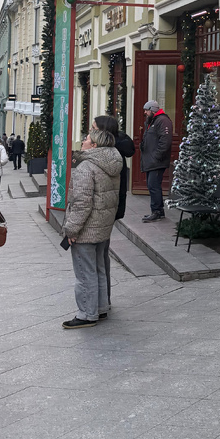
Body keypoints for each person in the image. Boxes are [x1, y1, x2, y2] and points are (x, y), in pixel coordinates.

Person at [61, 127, 122, 329]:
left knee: (85, 272)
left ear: (94, 145)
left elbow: (81, 203)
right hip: (103, 226)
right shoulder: (112, 163)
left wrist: (71, 229)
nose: (83, 141)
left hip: (87, 229)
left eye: (86, 139)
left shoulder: (86, 167)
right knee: (99, 269)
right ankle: (101, 307)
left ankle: (87, 313)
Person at [91, 115, 135, 305]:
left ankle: (97, 304)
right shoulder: (114, 153)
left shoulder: (106, 156)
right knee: (101, 258)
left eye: (93, 129)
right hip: (107, 210)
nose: (89, 132)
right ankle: (102, 302)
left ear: (103, 132)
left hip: (100, 213)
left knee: (97, 260)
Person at [140, 100, 173, 222]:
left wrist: (157, 156)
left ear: (152, 110)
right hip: (151, 160)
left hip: (156, 161)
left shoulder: (162, 121)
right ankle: (157, 211)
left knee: (153, 185)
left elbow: (165, 141)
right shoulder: (152, 121)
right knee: (152, 185)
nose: (145, 112)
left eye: (146, 110)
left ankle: (157, 212)